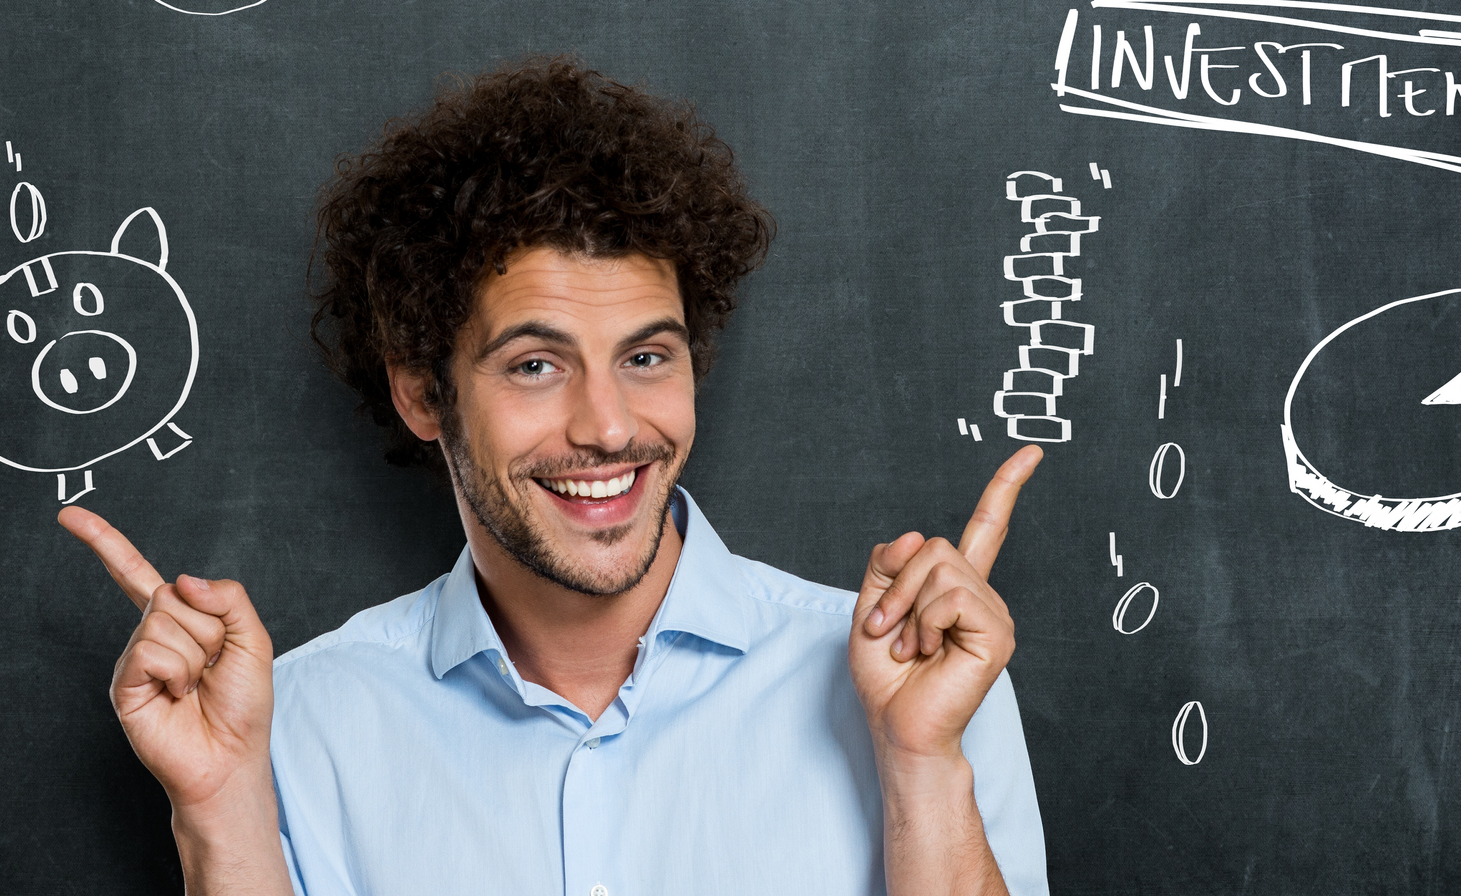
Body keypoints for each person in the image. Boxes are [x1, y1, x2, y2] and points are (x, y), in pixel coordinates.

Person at [61, 57, 1048, 895]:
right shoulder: (299, 723)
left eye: (646, 356)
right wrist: (218, 814)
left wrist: (920, 765)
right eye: (535, 364)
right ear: (422, 393)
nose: (610, 424)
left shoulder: (921, 687)